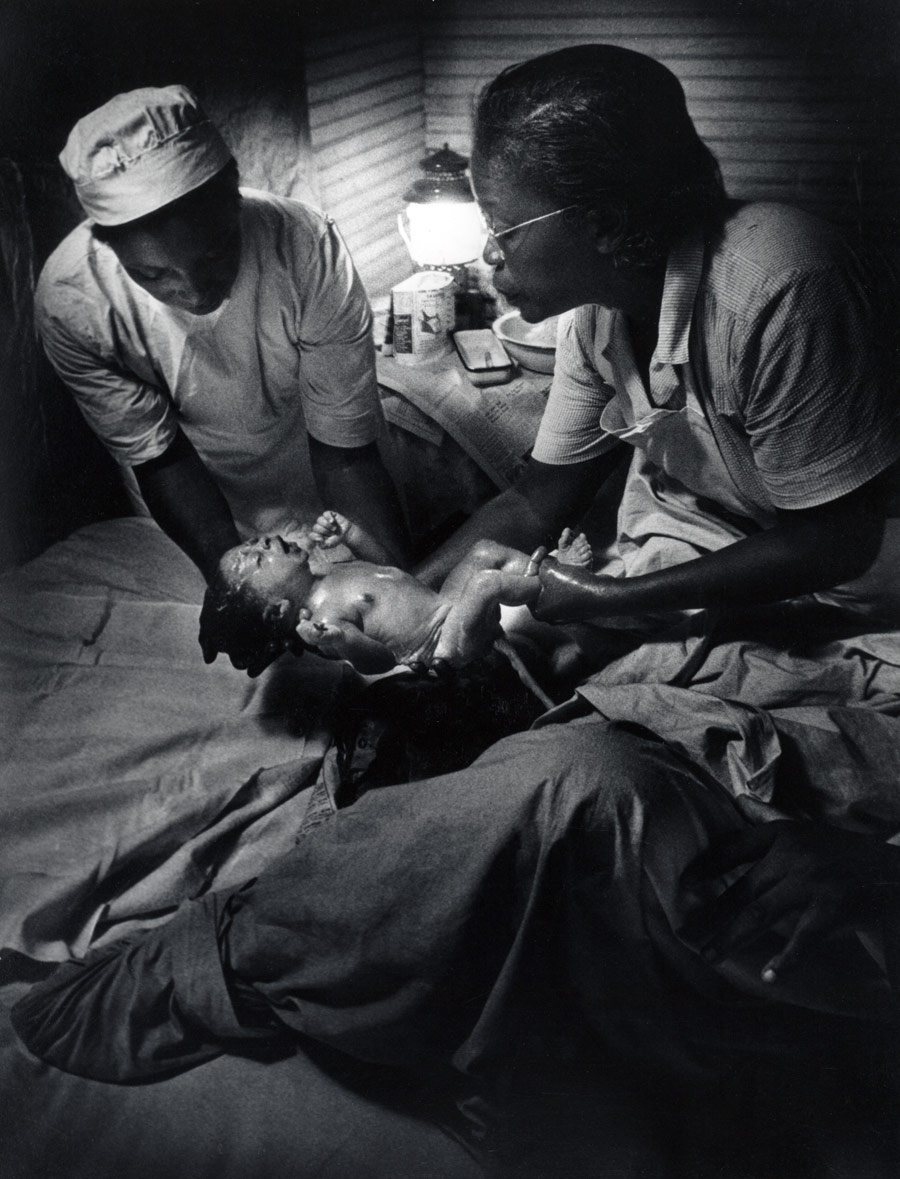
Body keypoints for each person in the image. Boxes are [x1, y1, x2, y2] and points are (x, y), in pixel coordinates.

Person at [414, 44, 900, 639]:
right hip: (735, 546)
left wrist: (604, 596)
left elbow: (835, 542)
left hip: (858, 588)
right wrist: (402, 591)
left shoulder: (784, 287)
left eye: (502, 227)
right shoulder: (598, 315)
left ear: (606, 224)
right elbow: (540, 499)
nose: (489, 254)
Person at [36, 85, 407, 638]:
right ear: (106, 246)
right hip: (195, 504)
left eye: (213, 255)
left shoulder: (303, 245)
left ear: (234, 195)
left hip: (315, 464)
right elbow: (161, 458)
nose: (191, 291)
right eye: (153, 275)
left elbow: (344, 450)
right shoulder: (75, 303)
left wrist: (396, 588)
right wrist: (233, 586)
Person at [197, 510, 585, 681]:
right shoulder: (324, 619)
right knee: (485, 583)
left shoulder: (331, 571)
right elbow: (380, 662)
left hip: (442, 605)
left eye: (251, 542)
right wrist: (344, 642)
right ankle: (556, 585)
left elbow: (392, 572)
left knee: (483, 551)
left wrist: (352, 535)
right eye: (256, 558)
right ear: (278, 610)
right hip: (441, 648)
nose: (261, 542)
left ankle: (542, 574)